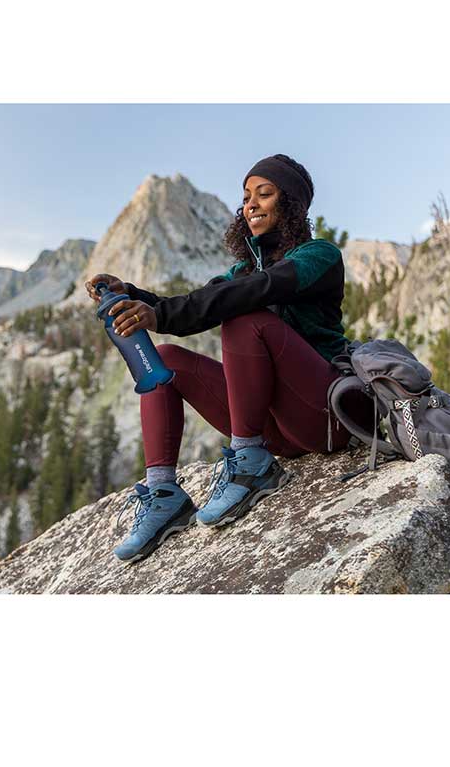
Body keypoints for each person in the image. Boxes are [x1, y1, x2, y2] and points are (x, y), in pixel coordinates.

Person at [85, 154, 355, 564]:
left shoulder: (319, 256)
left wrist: (158, 314)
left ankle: (248, 463)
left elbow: (260, 289)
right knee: (167, 360)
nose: (250, 205)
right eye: (246, 197)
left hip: (323, 419)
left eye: (264, 194)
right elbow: (199, 304)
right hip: (276, 432)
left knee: (244, 316)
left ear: (291, 203)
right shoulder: (242, 272)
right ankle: (163, 493)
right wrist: (135, 296)